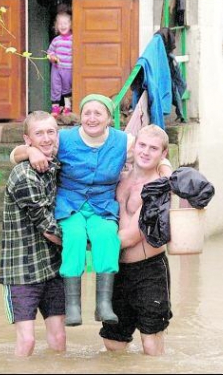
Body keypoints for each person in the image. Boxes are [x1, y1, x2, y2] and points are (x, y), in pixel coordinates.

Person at [11, 94, 135, 327]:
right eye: (87, 112)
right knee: (75, 237)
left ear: (109, 118)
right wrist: (30, 152)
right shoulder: (64, 139)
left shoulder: (124, 142)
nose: (91, 118)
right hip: (70, 205)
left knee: (108, 236)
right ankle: (73, 306)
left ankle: (103, 304)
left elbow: (153, 153)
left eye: (98, 113)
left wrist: (165, 166)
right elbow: (15, 154)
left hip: (103, 206)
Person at [100, 124, 173, 356]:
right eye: (142, 145)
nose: (145, 152)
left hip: (148, 271)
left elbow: (132, 236)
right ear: (134, 146)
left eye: (153, 148)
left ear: (163, 154)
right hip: (116, 270)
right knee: (113, 342)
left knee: (150, 343)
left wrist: (86, 248)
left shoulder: (158, 188)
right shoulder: (119, 179)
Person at [0, 111, 65, 357]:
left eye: (51, 132)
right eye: (39, 134)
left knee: (59, 338)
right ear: (28, 139)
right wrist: (85, 247)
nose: (47, 139)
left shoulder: (56, 160)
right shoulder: (24, 175)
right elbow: (48, 228)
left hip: (52, 267)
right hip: (22, 270)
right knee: (27, 341)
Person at [47, 11, 73, 117]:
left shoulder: (73, 39)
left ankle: (67, 107)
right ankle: (55, 108)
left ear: (70, 25)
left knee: (67, 88)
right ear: (56, 26)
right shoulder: (56, 40)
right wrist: (52, 57)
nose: (63, 26)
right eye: (60, 24)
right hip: (57, 68)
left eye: (65, 23)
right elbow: (50, 52)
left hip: (68, 68)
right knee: (55, 86)